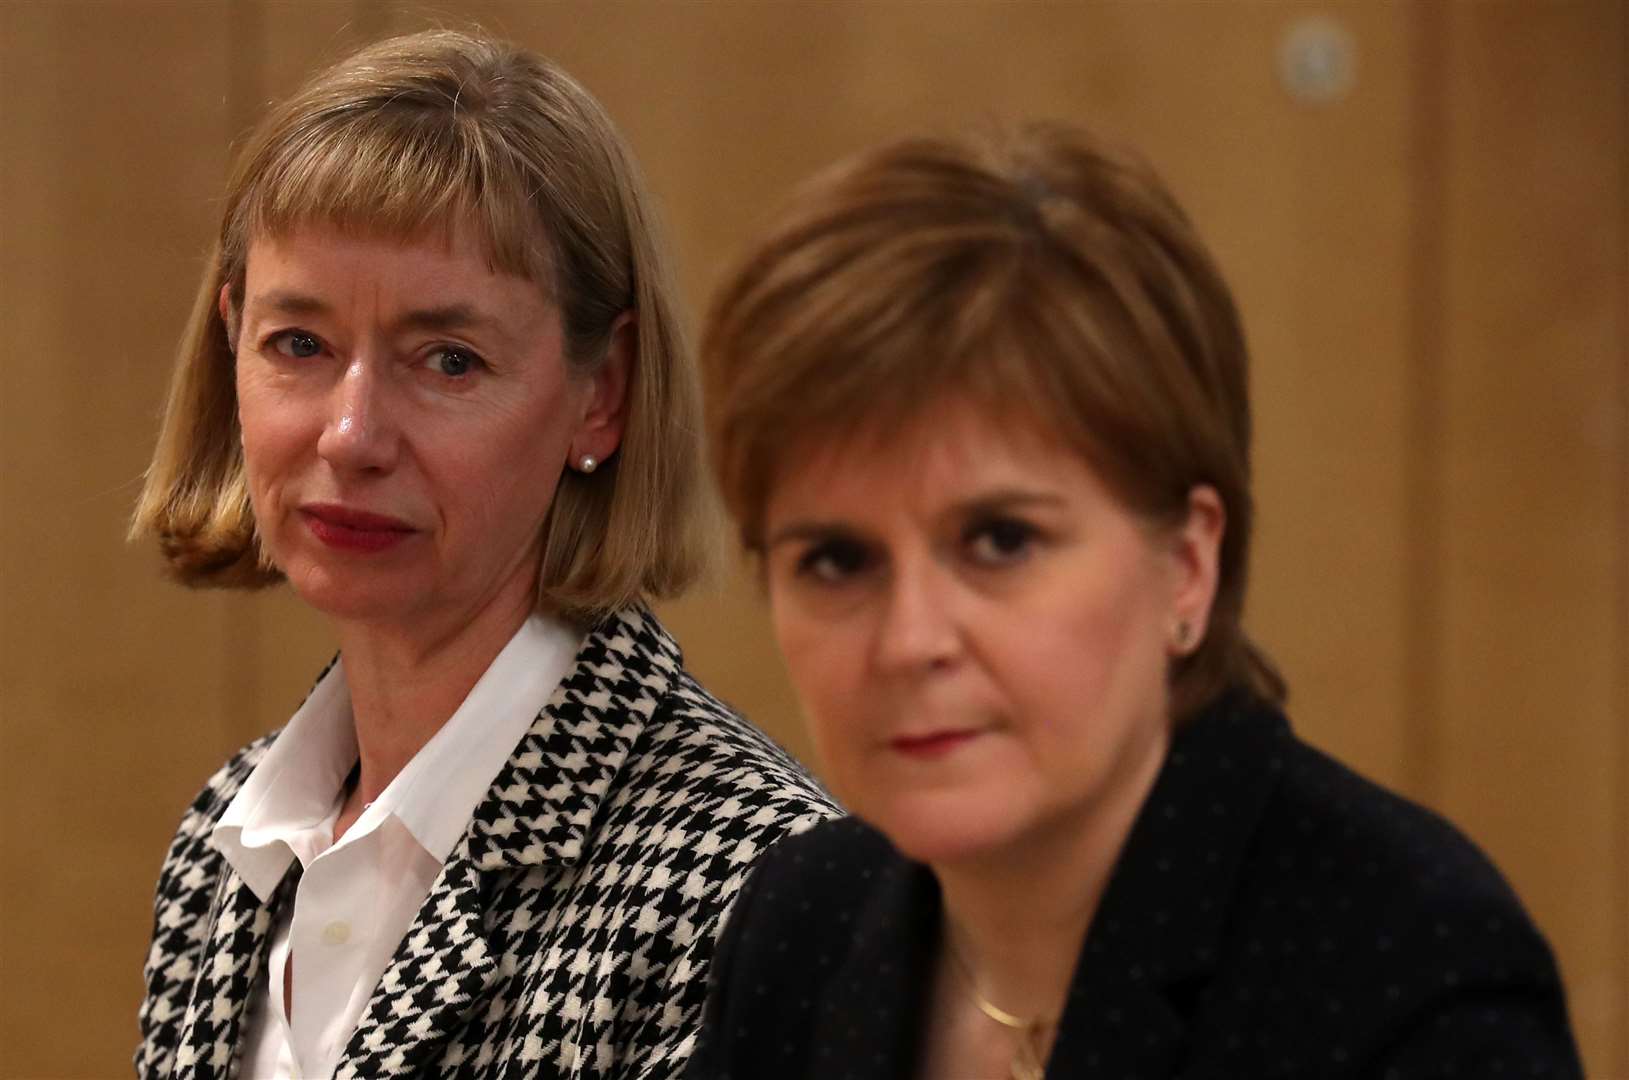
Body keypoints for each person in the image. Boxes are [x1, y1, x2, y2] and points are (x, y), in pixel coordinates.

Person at [688, 123, 1583, 1079]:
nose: (909, 640)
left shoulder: (1405, 969)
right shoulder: (800, 925)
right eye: (835, 559)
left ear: (1188, 565)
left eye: (999, 541)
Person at [129, 30, 835, 1080]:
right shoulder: (221, 847)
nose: (351, 435)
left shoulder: (749, 892)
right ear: (232, 342)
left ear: (603, 394)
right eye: (300, 346)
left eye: (448, 360)